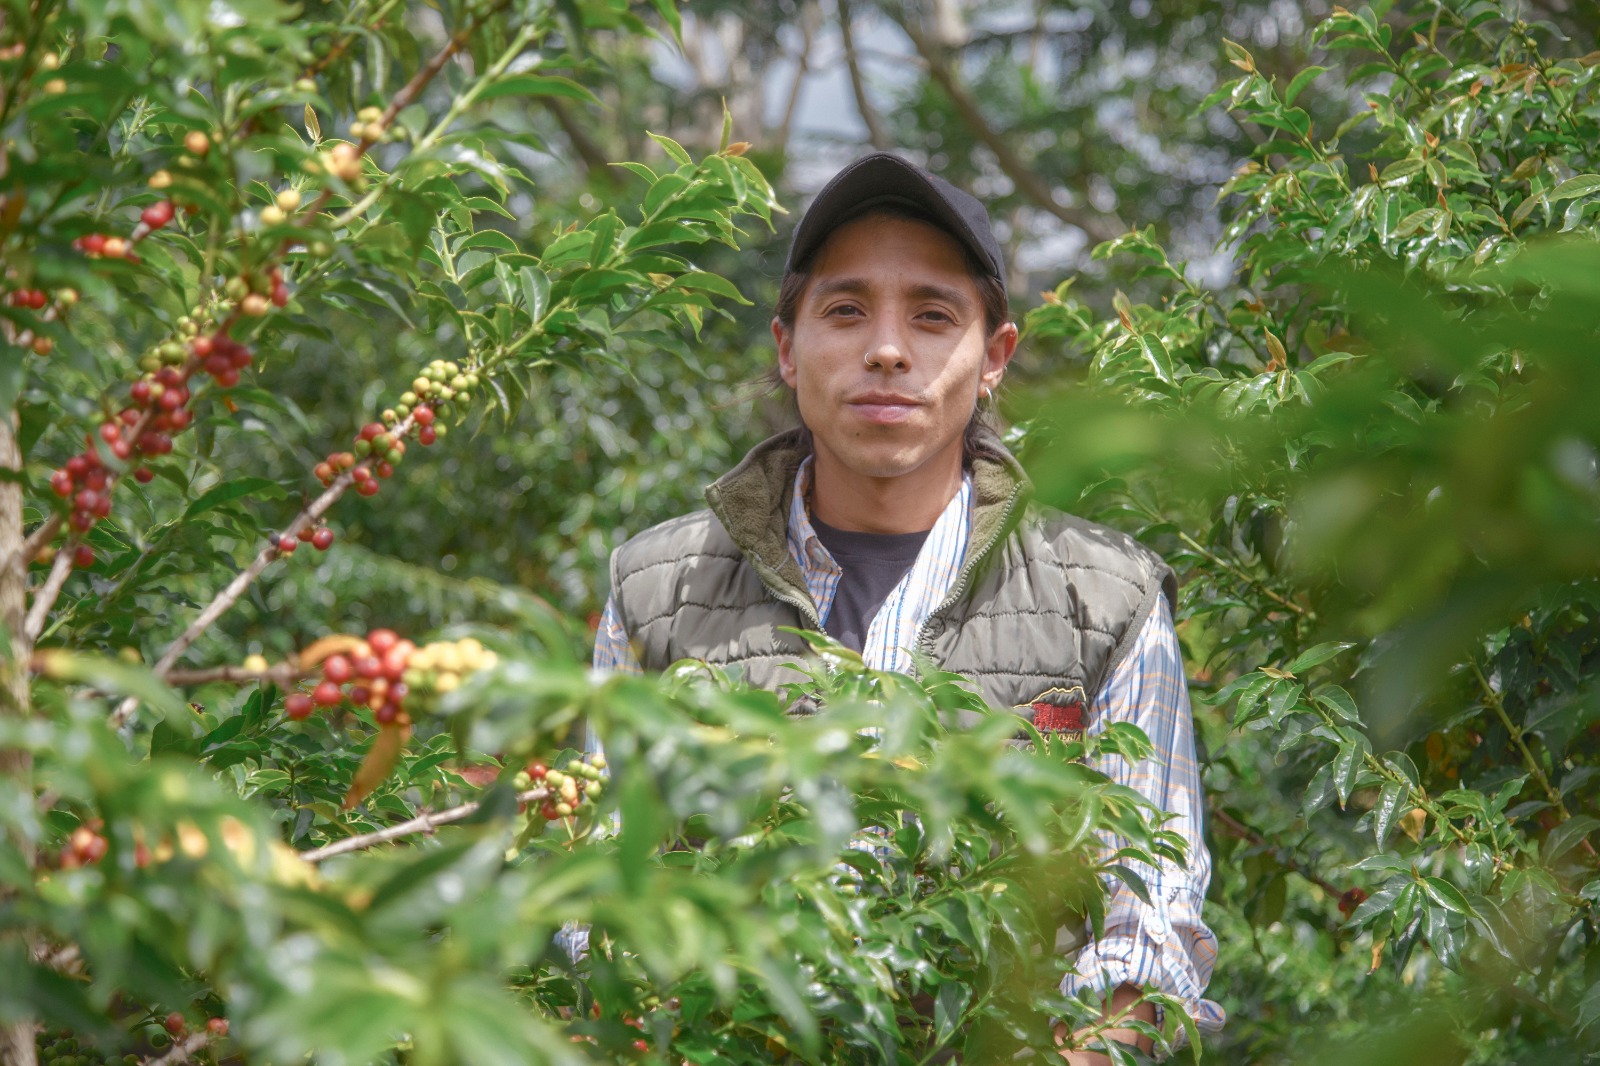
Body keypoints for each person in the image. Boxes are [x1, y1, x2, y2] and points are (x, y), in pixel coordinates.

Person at [593, 152, 1222, 1060]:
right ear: (787, 348)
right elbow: (598, 886)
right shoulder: (656, 588)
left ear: (994, 357)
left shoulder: (1106, 596)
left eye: (933, 316)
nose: (888, 350)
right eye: (846, 310)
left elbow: (1149, 914)